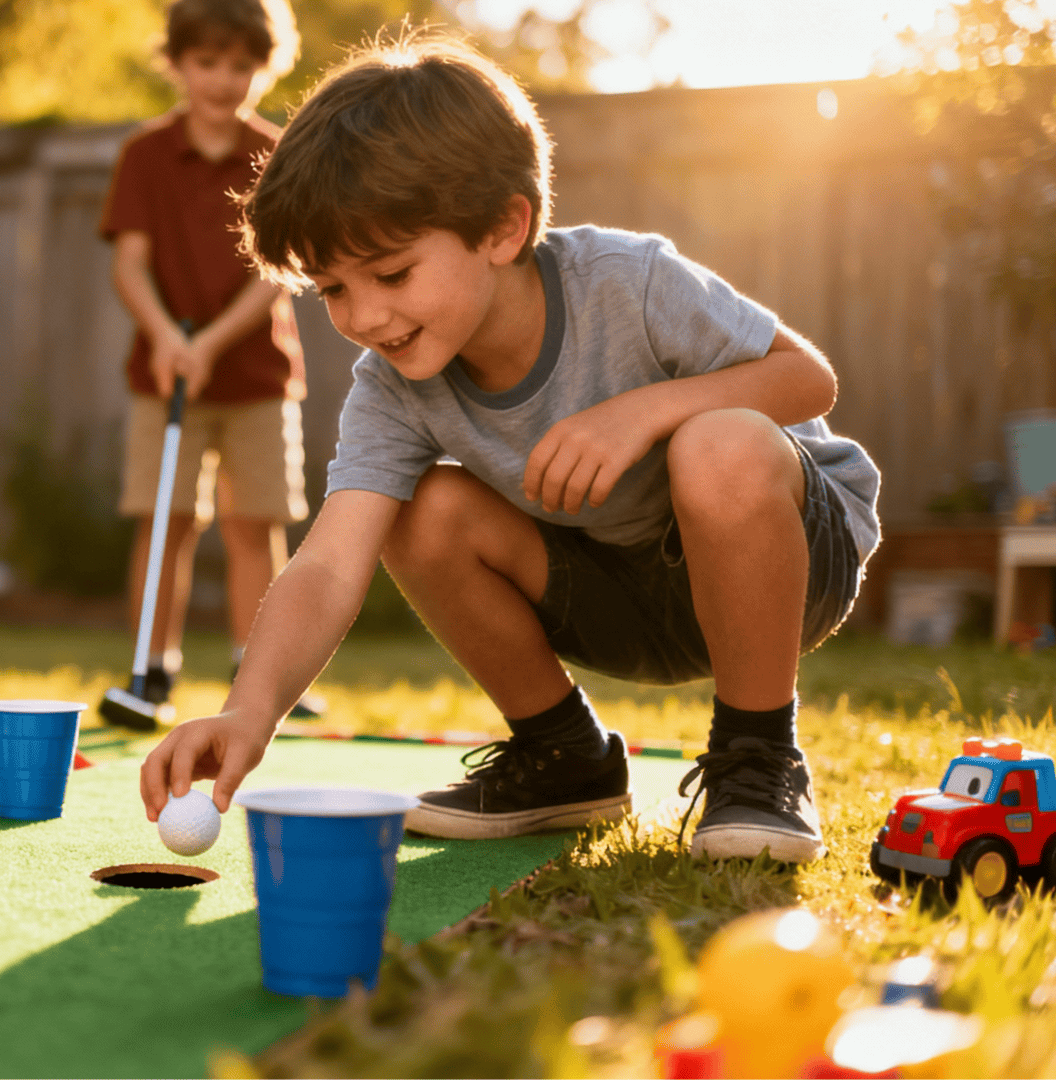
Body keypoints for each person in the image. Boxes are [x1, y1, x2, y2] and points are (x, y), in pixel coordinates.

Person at [138, 32, 881, 863]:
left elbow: (807, 378)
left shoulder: (626, 282)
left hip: (788, 567)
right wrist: (251, 709)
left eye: (391, 274)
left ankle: (758, 756)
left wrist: (644, 413)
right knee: (418, 512)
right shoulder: (393, 387)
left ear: (502, 227)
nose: (362, 318)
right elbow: (328, 562)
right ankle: (565, 757)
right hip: (618, 596)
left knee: (720, 443)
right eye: (333, 290)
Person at [99, 0, 313, 714]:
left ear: (265, 66)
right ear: (178, 63)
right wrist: (167, 336)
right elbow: (130, 264)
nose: (224, 80)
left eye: (242, 65)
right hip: (165, 373)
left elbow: (274, 269)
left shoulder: (278, 151)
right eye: (207, 62)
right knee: (166, 521)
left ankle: (260, 674)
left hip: (255, 374)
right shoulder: (145, 154)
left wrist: (211, 342)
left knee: (256, 523)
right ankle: (150, 670)